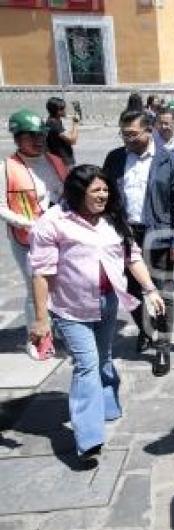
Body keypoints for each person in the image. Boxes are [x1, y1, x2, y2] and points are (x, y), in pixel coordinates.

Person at [28, 165, 165, 464]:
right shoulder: (53, 222)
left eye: (105, 190)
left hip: (107, 303)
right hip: (70, 308)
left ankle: (107, 403)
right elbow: (41, 273)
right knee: (86, 364)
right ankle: (89, 438)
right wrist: (41, 319)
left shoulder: (113, 219)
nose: (103, 195)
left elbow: (133, 258)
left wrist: (151, 290)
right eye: (96, 191)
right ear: (78, 193)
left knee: (104, 356)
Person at [102, 109, 174, 377]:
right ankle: (145, 330)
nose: (127, 140)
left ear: (148, 130)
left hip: (158, 235)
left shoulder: (169, 160)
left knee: (161, 292)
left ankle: (162, 344)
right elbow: (104, 196)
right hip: (124, 236)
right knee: (130, 291)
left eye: (132, 134)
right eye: (124, 134)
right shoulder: (115, 159)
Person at [0, 110, 68, 359]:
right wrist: (30, 224)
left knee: (58, 285)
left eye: (40, 135)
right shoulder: (7, 168)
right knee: (34, 288)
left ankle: (58, 328)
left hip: (57, 236)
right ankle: (37, 337)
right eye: (31, 136)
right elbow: (1, 207)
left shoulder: (54, 161)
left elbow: (65, 193)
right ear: (17, 138)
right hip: (26, 240)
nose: (38, 140)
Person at [45, 97, 79, 166]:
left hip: (61, 160)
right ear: (58, 111)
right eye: (63, 109)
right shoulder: (53, 123)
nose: (65, 111)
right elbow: (72, 140)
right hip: (63, 161)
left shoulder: (55, 121)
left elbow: (66, 136)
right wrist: (75, 123)